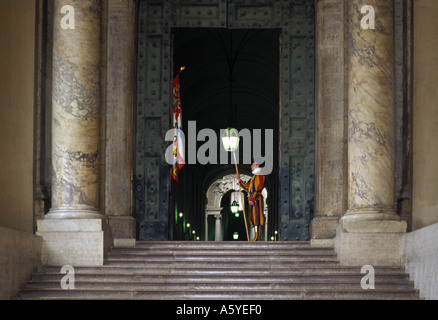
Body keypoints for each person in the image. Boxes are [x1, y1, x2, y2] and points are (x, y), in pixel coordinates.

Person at [236, 162, 266, 241]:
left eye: (253, 164)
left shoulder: (260, 176)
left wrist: (252, 198)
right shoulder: (253, 178)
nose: (251, 166)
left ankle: (257, 237)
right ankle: (256, 236)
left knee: (257, 218)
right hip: (253, 199)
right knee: (253, 218)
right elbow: (247, 188)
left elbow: (258, 188)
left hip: (257, 199)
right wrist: (239, 180)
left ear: (257, 165)